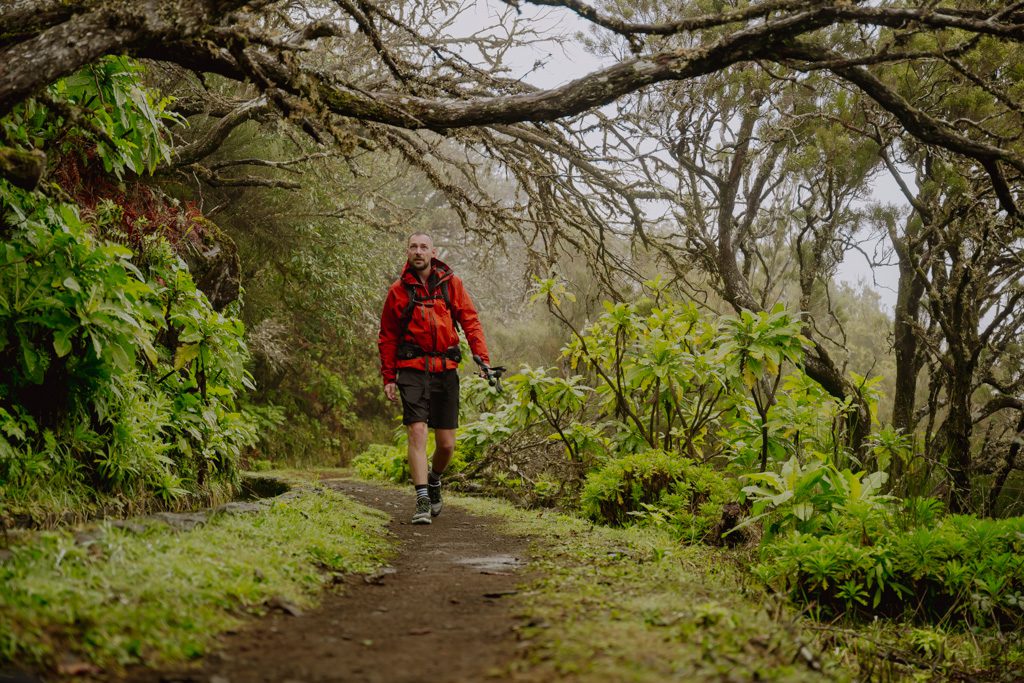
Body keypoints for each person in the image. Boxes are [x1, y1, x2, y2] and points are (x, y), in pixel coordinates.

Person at [378, 232, 490, 524]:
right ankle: (422, 498)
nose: (418, 252)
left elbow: (470, 321)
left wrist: (482, 359)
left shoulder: (451, 284)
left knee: (446, 444)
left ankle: (435, 478)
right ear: (407, 252)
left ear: (433, 252)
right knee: (416, 432)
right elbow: (387, 337)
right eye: (413, 246)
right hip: (412, 370)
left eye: (423, 247)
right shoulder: (397, 291)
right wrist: (389, 376)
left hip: (445, 371)